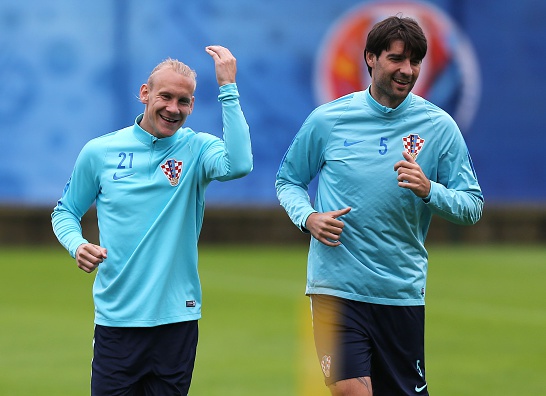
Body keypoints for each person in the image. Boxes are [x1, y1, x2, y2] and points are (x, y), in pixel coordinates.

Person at [275, 16, 483, 396]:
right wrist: (308, 217)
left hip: (399, 292)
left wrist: (429, 190)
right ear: (370, 58)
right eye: (397, 59)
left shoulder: (439, 126)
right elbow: (288, 180)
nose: (407, 70)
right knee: (351, 391)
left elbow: (472, 205)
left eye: (415, 61)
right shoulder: (328, 120)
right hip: (336, 289)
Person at [51, 45, 252, 395]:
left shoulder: (197, 149)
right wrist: (77, 244)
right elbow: (65, 211)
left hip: (177, 320)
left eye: (184, 101)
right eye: (166, 96)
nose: (174, 109)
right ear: (145, 94)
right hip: (118, 320)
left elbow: (240, 163)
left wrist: (228, 88)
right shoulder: (100, 152)